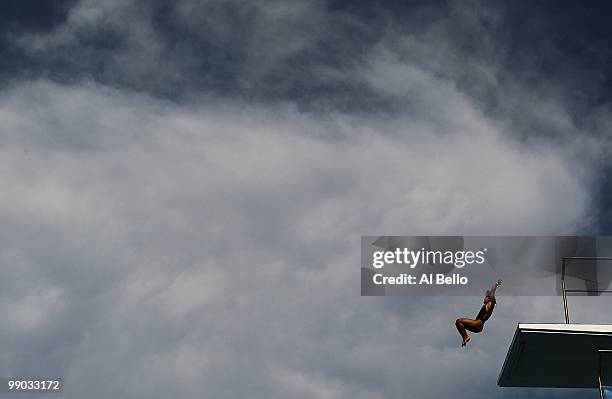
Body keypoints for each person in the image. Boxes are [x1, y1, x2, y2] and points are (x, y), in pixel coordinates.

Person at [455, 279, 502, 347]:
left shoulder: (490, 304)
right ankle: (465, 338)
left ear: (489, 299)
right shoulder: (489, 306)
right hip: (479, 328)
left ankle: (465, 337)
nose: (484, 299)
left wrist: (496, 284)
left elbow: (492, 293)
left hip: (477, 323)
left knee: (458, 321)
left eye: (485, 297)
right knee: (460, 325)